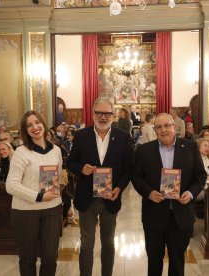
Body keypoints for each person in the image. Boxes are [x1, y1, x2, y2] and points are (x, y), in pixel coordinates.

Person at [132, 113, 206, 276]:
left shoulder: (190, 147)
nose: (163, 130)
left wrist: (190, 193)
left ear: (175, 127)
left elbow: (200, 176)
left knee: (177, 261)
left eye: (167, 126)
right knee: (154, 261)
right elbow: (136, 177)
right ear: (154, 129)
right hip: (154, 214)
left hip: (180, 214)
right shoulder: (144, 150)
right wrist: (149, 192)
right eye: (158, 127)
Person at [66, 97, 132, 276]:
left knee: (108, 243)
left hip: (111, 197)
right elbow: (70, 163)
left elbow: (128, 170)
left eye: (107, 113)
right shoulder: (81, 136)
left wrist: (119, 188)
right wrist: (82, 169)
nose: (103, 117)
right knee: (86, 244)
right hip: (86, 198)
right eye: (99, 113)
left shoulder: (123, 137)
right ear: (93, 113)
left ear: (113, 115)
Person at [6, 110, 63, 276]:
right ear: (25, 130)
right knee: (28, 258)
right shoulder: (21, 152)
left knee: (50, 257)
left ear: (43, 124)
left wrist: (54, 192)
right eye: (29, 125)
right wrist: (39, 196)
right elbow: (11, 185)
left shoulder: (56, 151)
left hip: (52, 209)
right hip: (25, 212)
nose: (35, 127)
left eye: (37, 122)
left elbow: (57, 176)